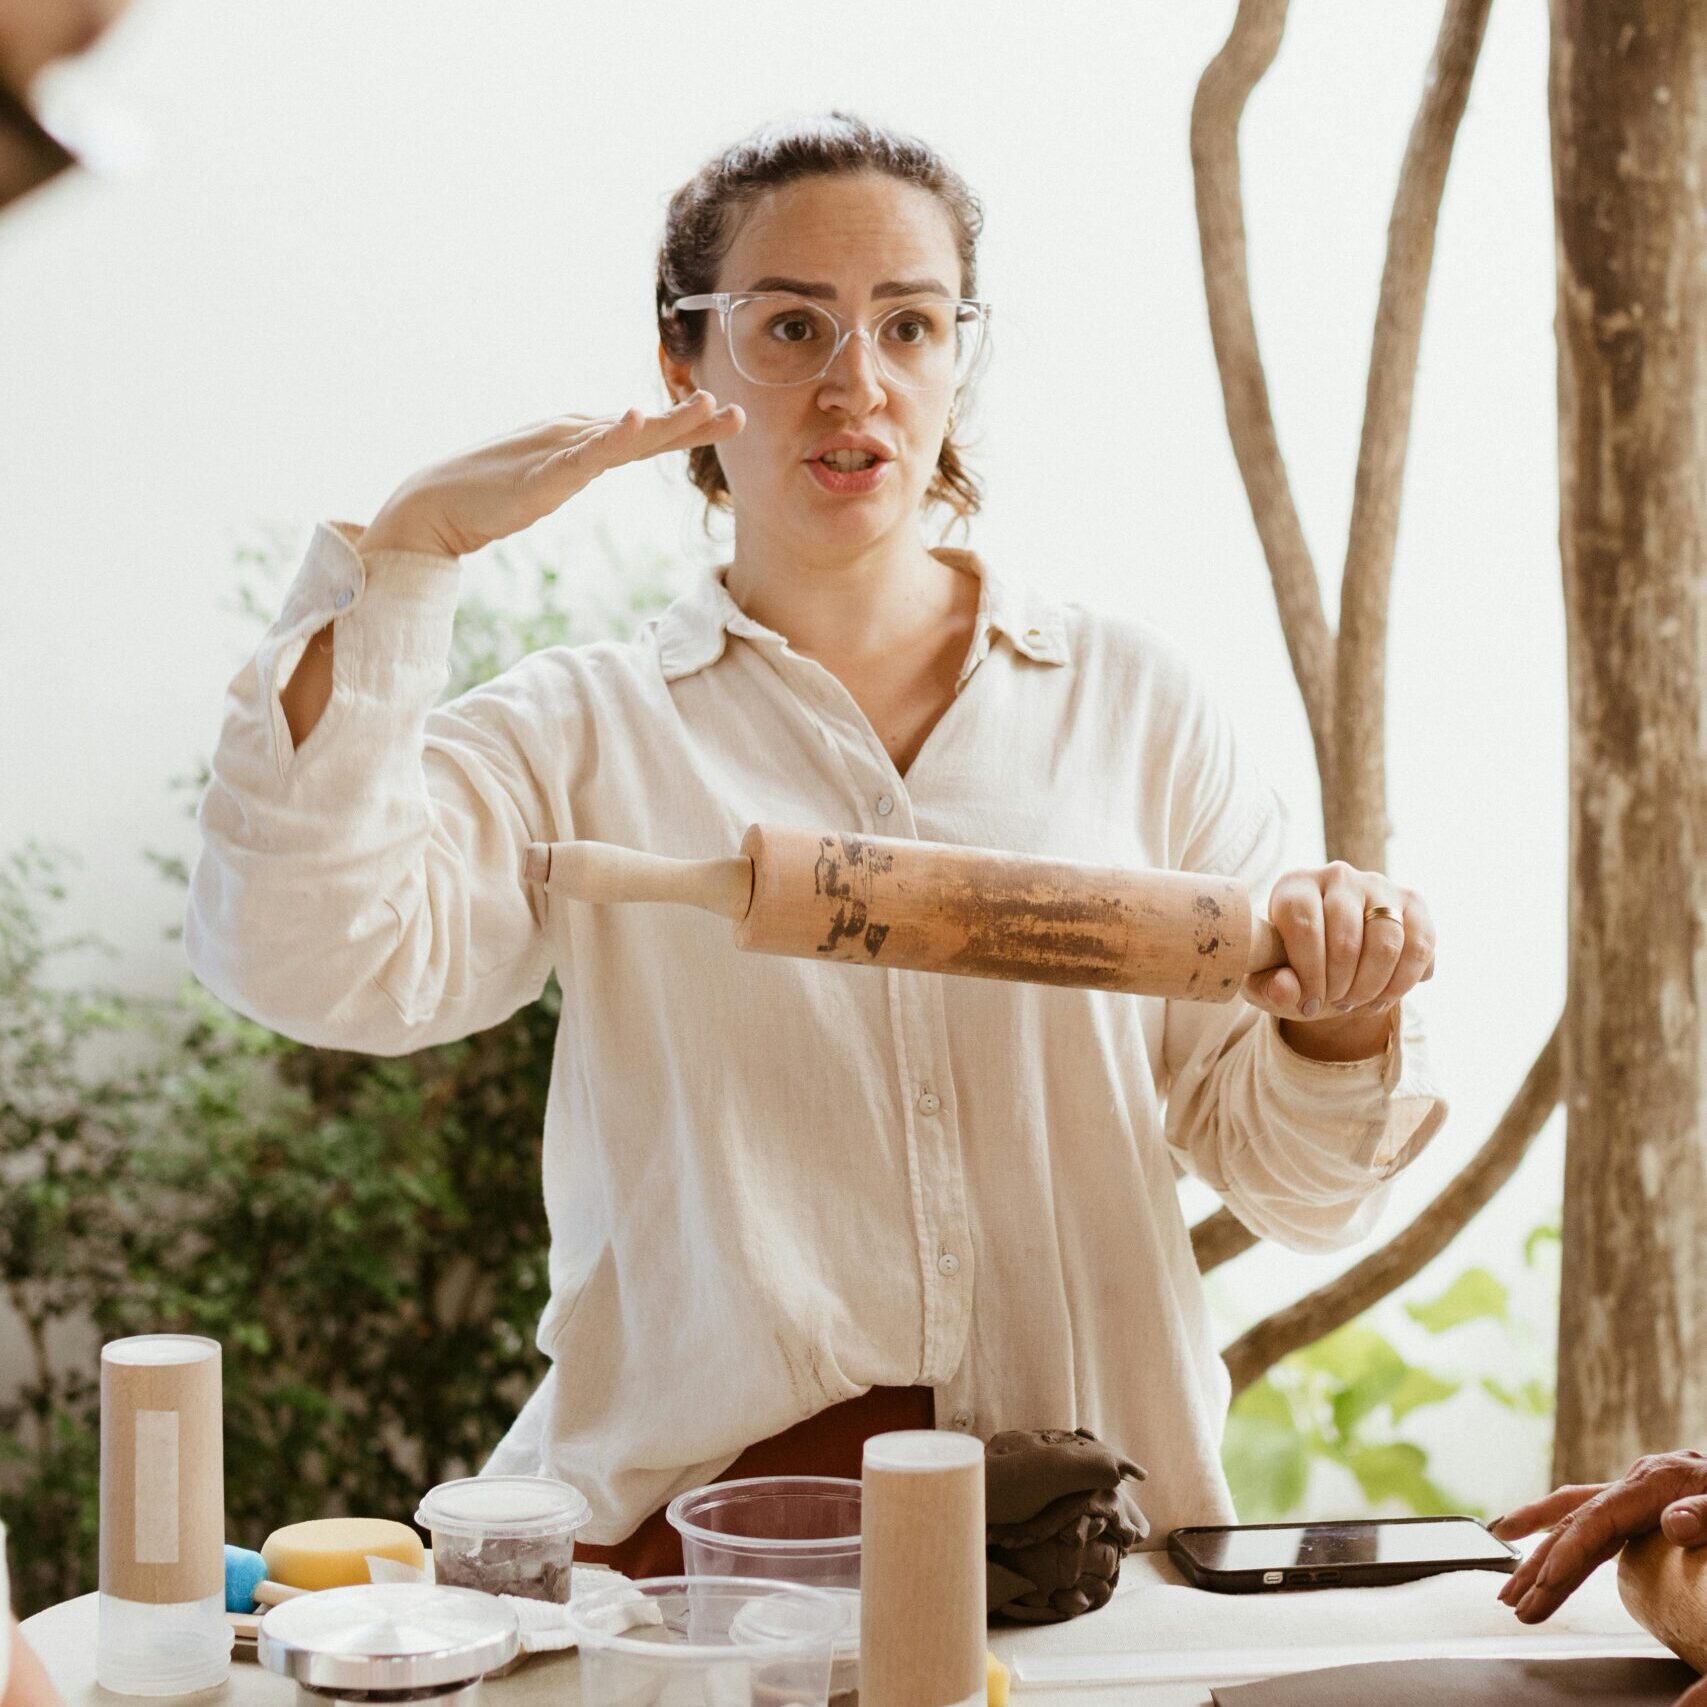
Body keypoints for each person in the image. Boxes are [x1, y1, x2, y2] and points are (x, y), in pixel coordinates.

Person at [185, 112, 1445, 1575]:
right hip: (700, 1566)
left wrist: (1343, 1026)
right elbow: (313, 963)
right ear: (684, 361)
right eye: (790, 326)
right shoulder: (583, 732)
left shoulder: (1133, 708)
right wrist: (408, 554)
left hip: (1082, 1554)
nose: (857, 383)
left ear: (955, 355)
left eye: (909, 325)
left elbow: (1303, 1185)